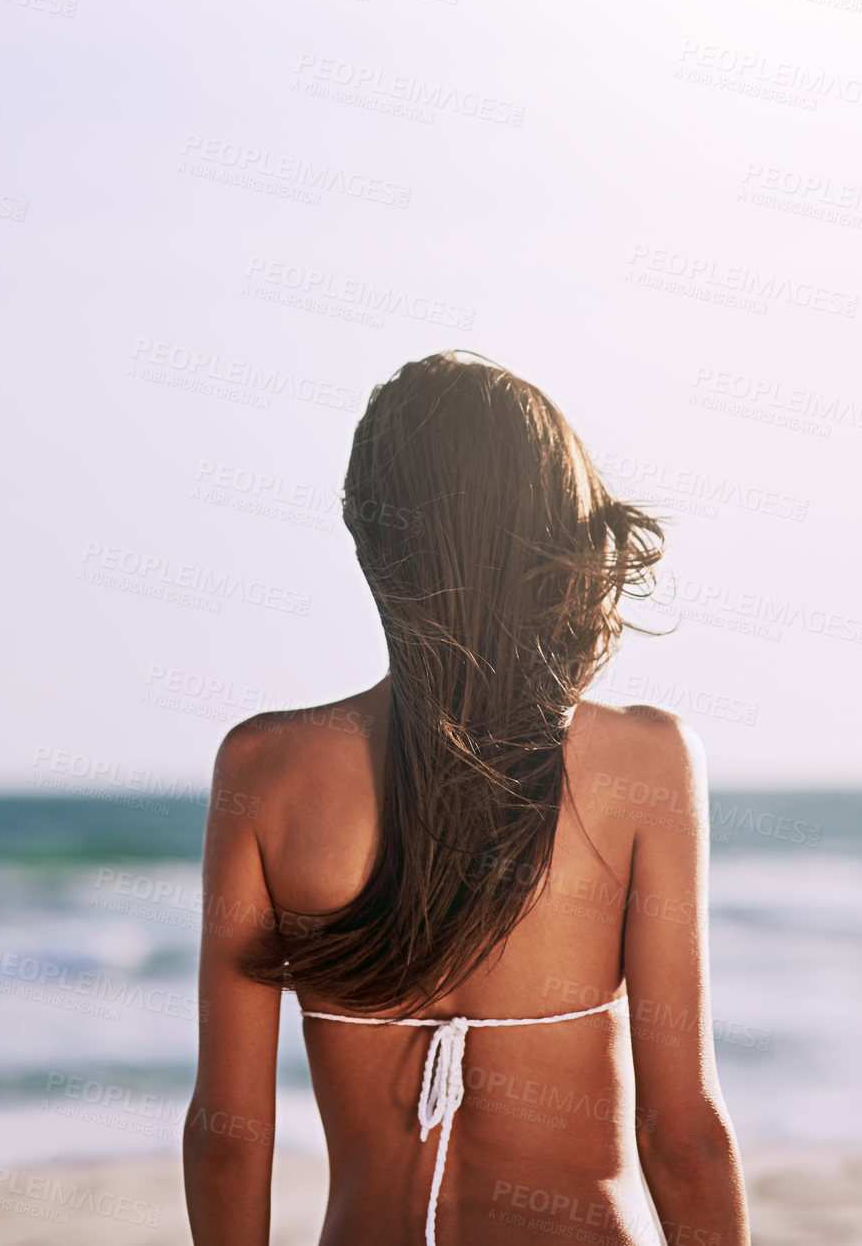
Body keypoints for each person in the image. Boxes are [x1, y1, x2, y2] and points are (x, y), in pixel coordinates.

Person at [183, 351, 750, 1246]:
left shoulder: (265, 770)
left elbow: (228, 1140)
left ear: (371, 540)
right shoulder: (643, 763)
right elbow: (681, 1138)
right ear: (551, 532)